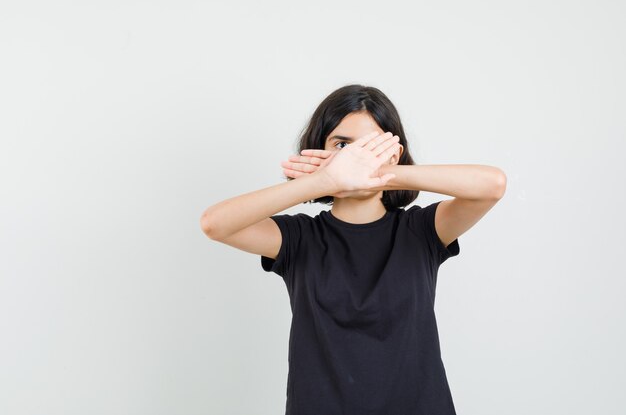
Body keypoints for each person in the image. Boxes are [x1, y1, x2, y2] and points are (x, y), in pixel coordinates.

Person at [200, 84, 506, 414]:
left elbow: (492, 185)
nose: (355, 158)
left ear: (395, 152)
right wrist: (322, 181)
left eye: (371, 145)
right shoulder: (299, 238)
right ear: (320, 151)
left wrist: (379, 173)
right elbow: (215, 223)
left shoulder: (421, 231)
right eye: (342, 145)